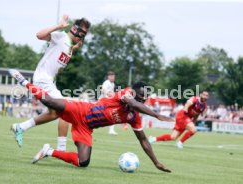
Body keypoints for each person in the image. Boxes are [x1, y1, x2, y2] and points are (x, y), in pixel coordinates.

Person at [9, 70, 172, 172]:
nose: (143, 100)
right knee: (51, 102)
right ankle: (23, 81)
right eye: (141, 96)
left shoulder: (133, 117)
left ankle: (49, 151)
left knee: (83, 162)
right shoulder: (126, 94)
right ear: (133, 92)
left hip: (86, 128)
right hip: (81, 110)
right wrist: (157, 115)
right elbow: (132, 103)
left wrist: (156, 163)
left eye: (145, 98)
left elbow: (143, 140)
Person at [10, 15, 91, 151]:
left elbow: (61, 54)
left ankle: (21, 127)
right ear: (74, 29)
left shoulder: (69, 45)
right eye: (81, 33)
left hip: (48, 82)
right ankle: (61, 150)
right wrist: (59, 25)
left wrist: (74, 48)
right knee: (66, 109)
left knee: (55, 113)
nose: (82, 37)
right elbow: (39, 35)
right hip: (43, 79)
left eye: (84, 35)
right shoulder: (61, 37)